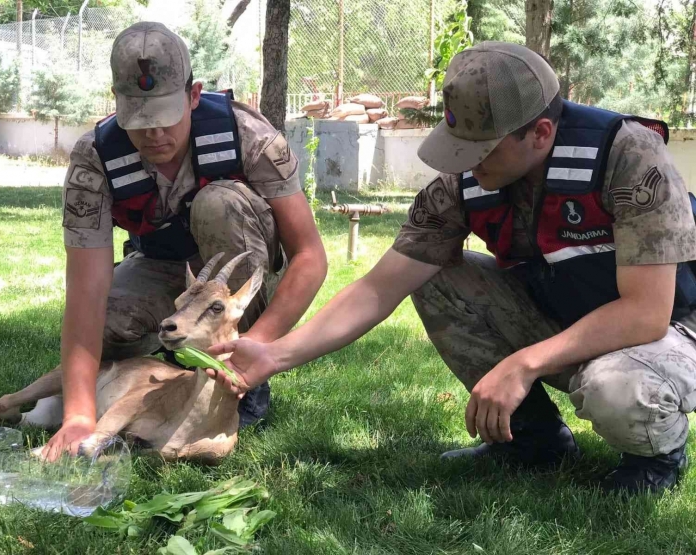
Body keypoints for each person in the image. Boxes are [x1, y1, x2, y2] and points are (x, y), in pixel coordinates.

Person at [205, 41, 696, 494]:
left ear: (540, 133)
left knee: (618, 389)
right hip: (567, 315)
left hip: (669, 327)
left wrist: (523, 362)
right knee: (436, 276)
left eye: (480, 149)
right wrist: (277, 354)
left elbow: (646, 312)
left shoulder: (627, 155)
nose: (463, 163)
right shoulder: (464, 182)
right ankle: (533, 440)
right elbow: (381, 286)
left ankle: (656, 454)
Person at [44, 22, 327, 458]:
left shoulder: (247, 135)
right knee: (107, 324)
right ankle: (168, 372)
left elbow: (309, 256)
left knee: (219, 202)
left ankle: (241, 381)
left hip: (235, 276)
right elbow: (85, 291)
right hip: (162, 266)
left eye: (165, 116)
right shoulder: (95, 158)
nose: (155, 134)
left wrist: (257, 345)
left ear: (194, 96)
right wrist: (79, 414)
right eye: (140, 120)